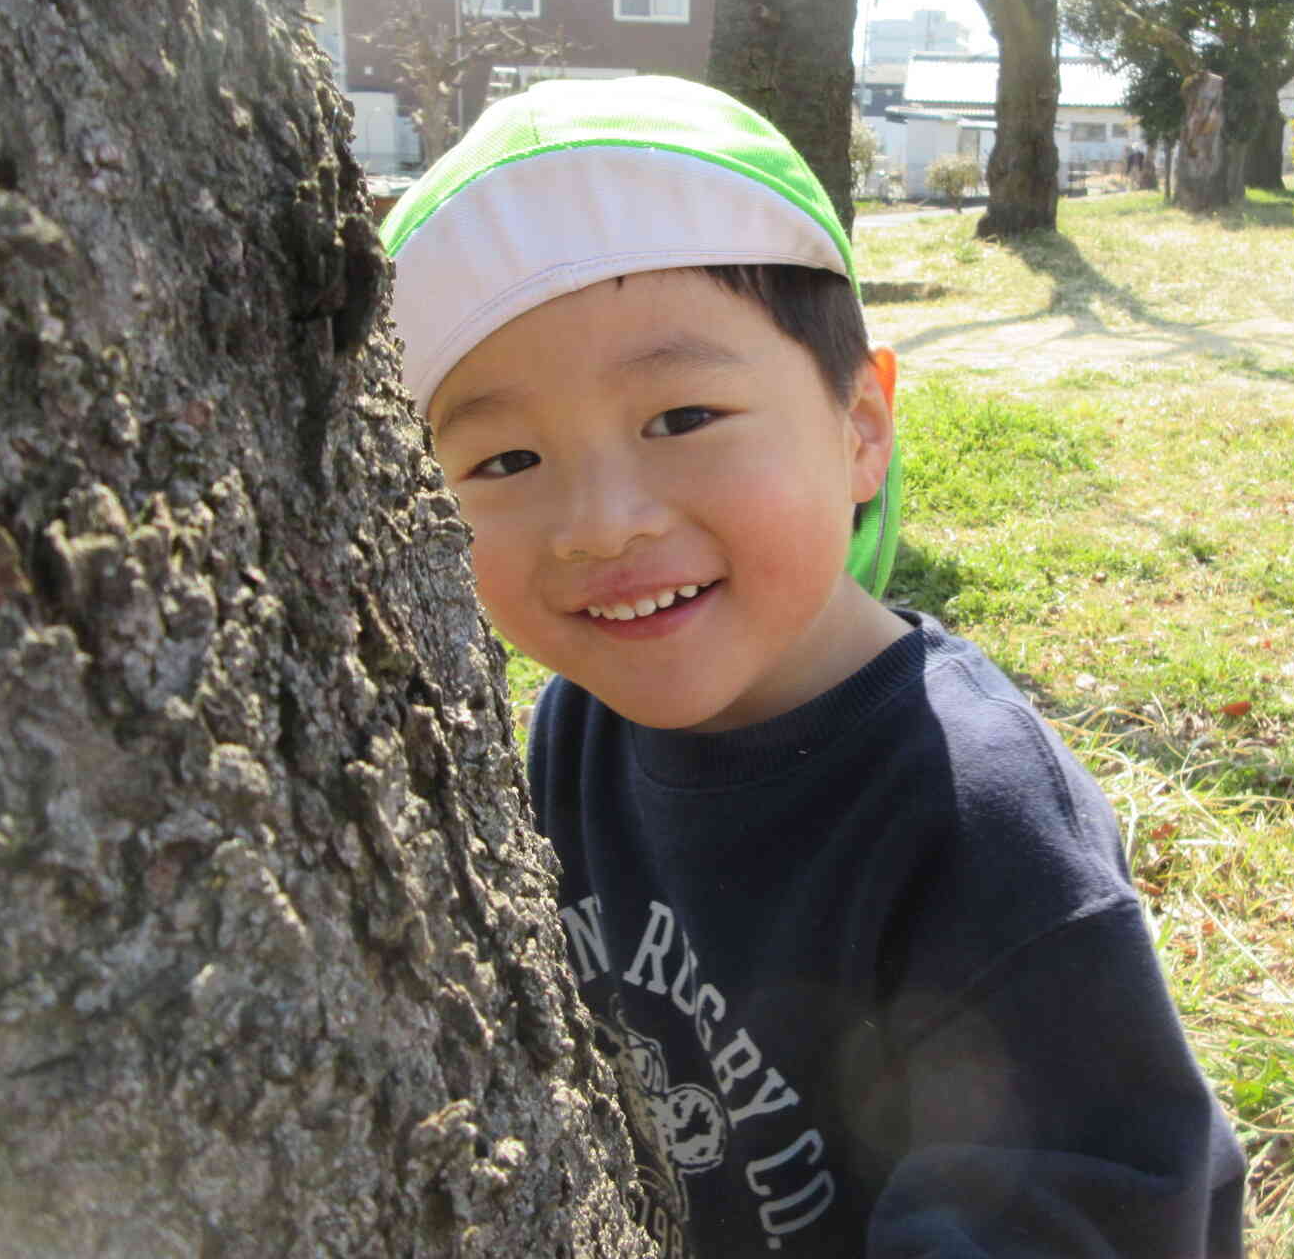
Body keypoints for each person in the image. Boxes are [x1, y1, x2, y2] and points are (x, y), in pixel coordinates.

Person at [380, 76, 1245, 1258]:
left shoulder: (976, 814)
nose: (599, 524)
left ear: (860, 429)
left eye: (681, 419)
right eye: (507, 460)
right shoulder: (570, 733)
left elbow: (1089, 1202)